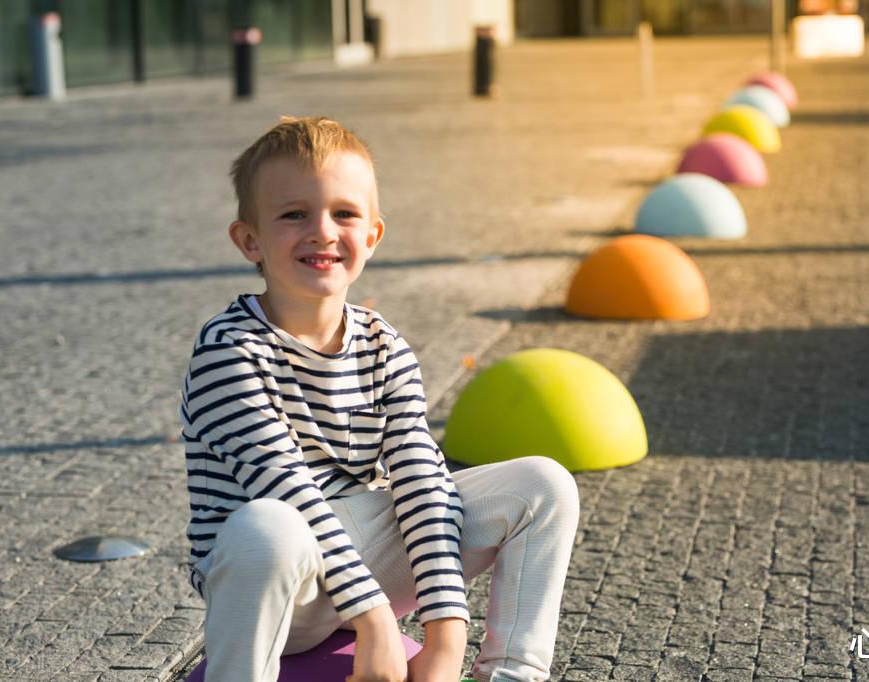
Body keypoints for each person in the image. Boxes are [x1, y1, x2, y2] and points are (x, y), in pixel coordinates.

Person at [179, 115, 580, 682]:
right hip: (279, 588)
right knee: (268, 526)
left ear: (372, 235)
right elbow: (287, 490)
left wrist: (446, 631)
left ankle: (511, 674)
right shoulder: (228, 350)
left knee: (543, 485)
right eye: (294, 214)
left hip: (363, 560)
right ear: (251, 240)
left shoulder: (383, 344)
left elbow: (420, 478)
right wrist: (376, 623)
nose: (321, 231)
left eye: (343, 213)